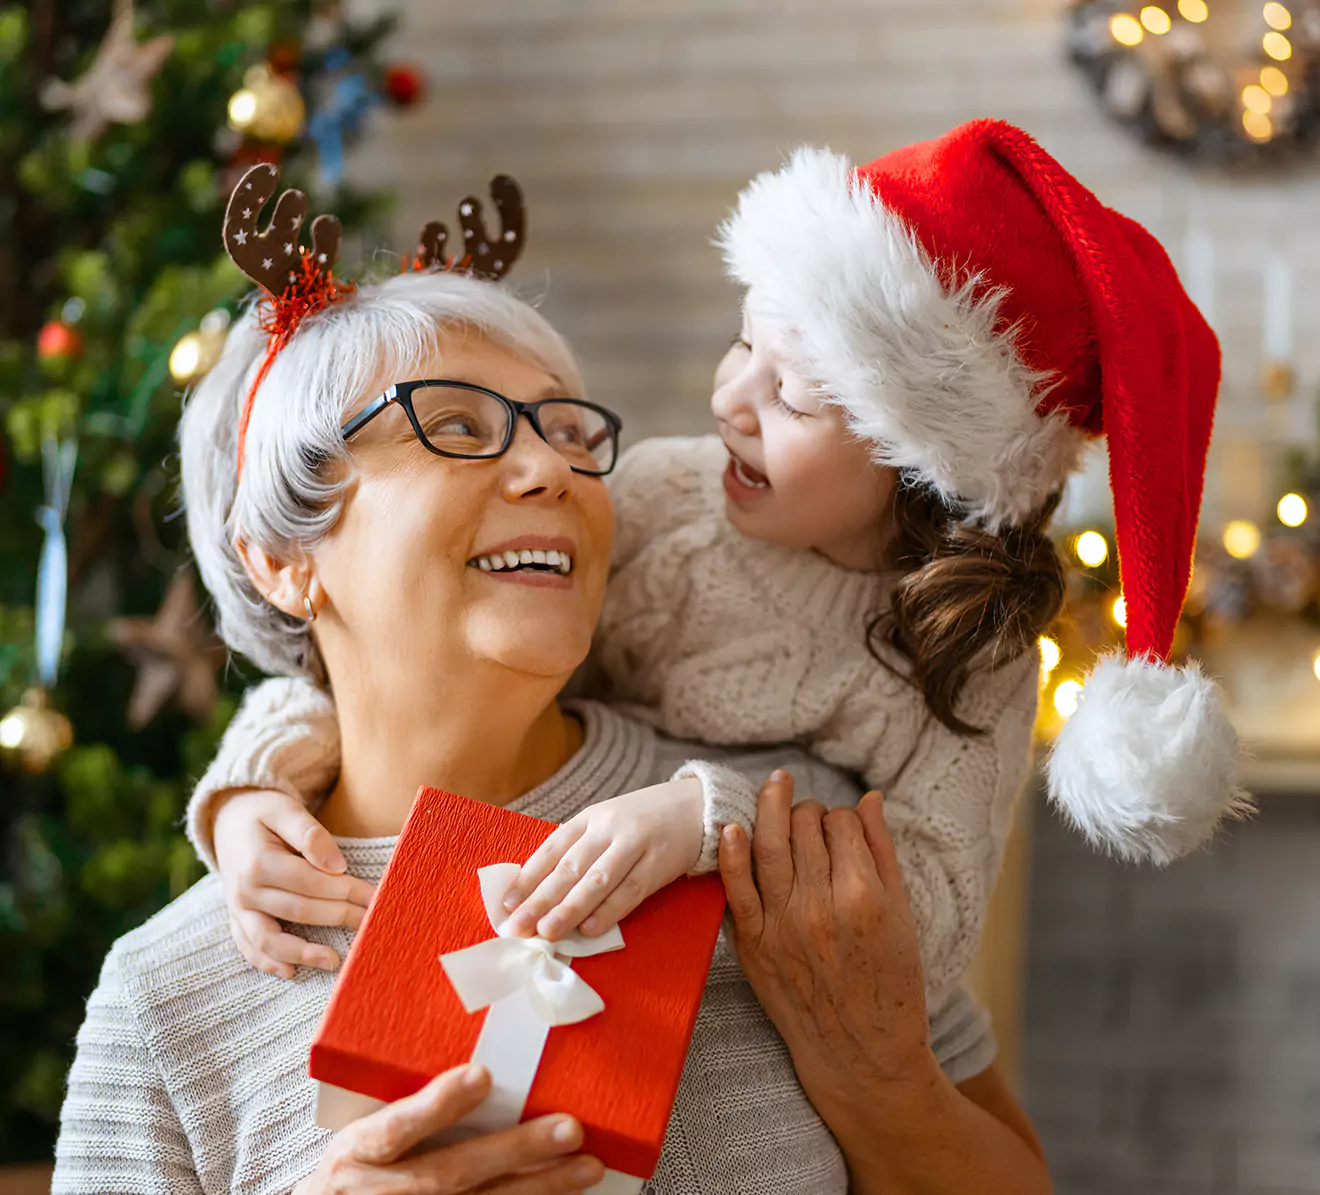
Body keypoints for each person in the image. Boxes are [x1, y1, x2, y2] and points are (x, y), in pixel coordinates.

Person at [37, 164, 1053, 1195]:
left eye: (568, 432)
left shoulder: (776, 828)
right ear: (284, 558)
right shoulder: (170, 997)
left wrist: (876, 1073)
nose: (550, 471)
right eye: (457, 427)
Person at [195, 121, 1241, 1036]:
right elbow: (396, 674)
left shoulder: (967, 656)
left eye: (788, 392)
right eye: (741, 342)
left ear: (922, 463)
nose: (729, 400)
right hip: (528, 909)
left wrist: (708, 825)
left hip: (686, 984)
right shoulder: (660, 499)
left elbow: (926, 939)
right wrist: (255, 790)